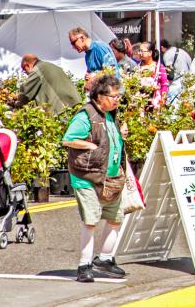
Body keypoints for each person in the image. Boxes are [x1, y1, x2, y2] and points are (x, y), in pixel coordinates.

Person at [61, 75, 128, 282]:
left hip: (110, 177)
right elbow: (69, 139)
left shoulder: (110, 115)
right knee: (91, 221)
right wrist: (91, 146)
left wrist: (120, 135)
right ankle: (84, 265)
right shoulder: (86, 115)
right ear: (100, 96)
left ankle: (105, 259)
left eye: (119, 96)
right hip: (87, 177)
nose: (116, 100)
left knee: (116, 218)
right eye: (113, 96)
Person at [14, 54, 82, 114]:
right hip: (75, 103)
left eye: (24, 70)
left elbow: (26, 92)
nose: (26, 74)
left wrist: (16, 104)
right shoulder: (51, 66)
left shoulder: (37, 70)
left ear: (27, 65)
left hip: (62, 109)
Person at [132, 42, 170, 107]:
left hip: (155, 101)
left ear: (150, 53)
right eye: (139, 51)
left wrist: (163, 98)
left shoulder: (158, 67)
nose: (139, 53)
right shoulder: (137, 67)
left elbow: (164, 84)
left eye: (142, 51)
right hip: (140, 102)